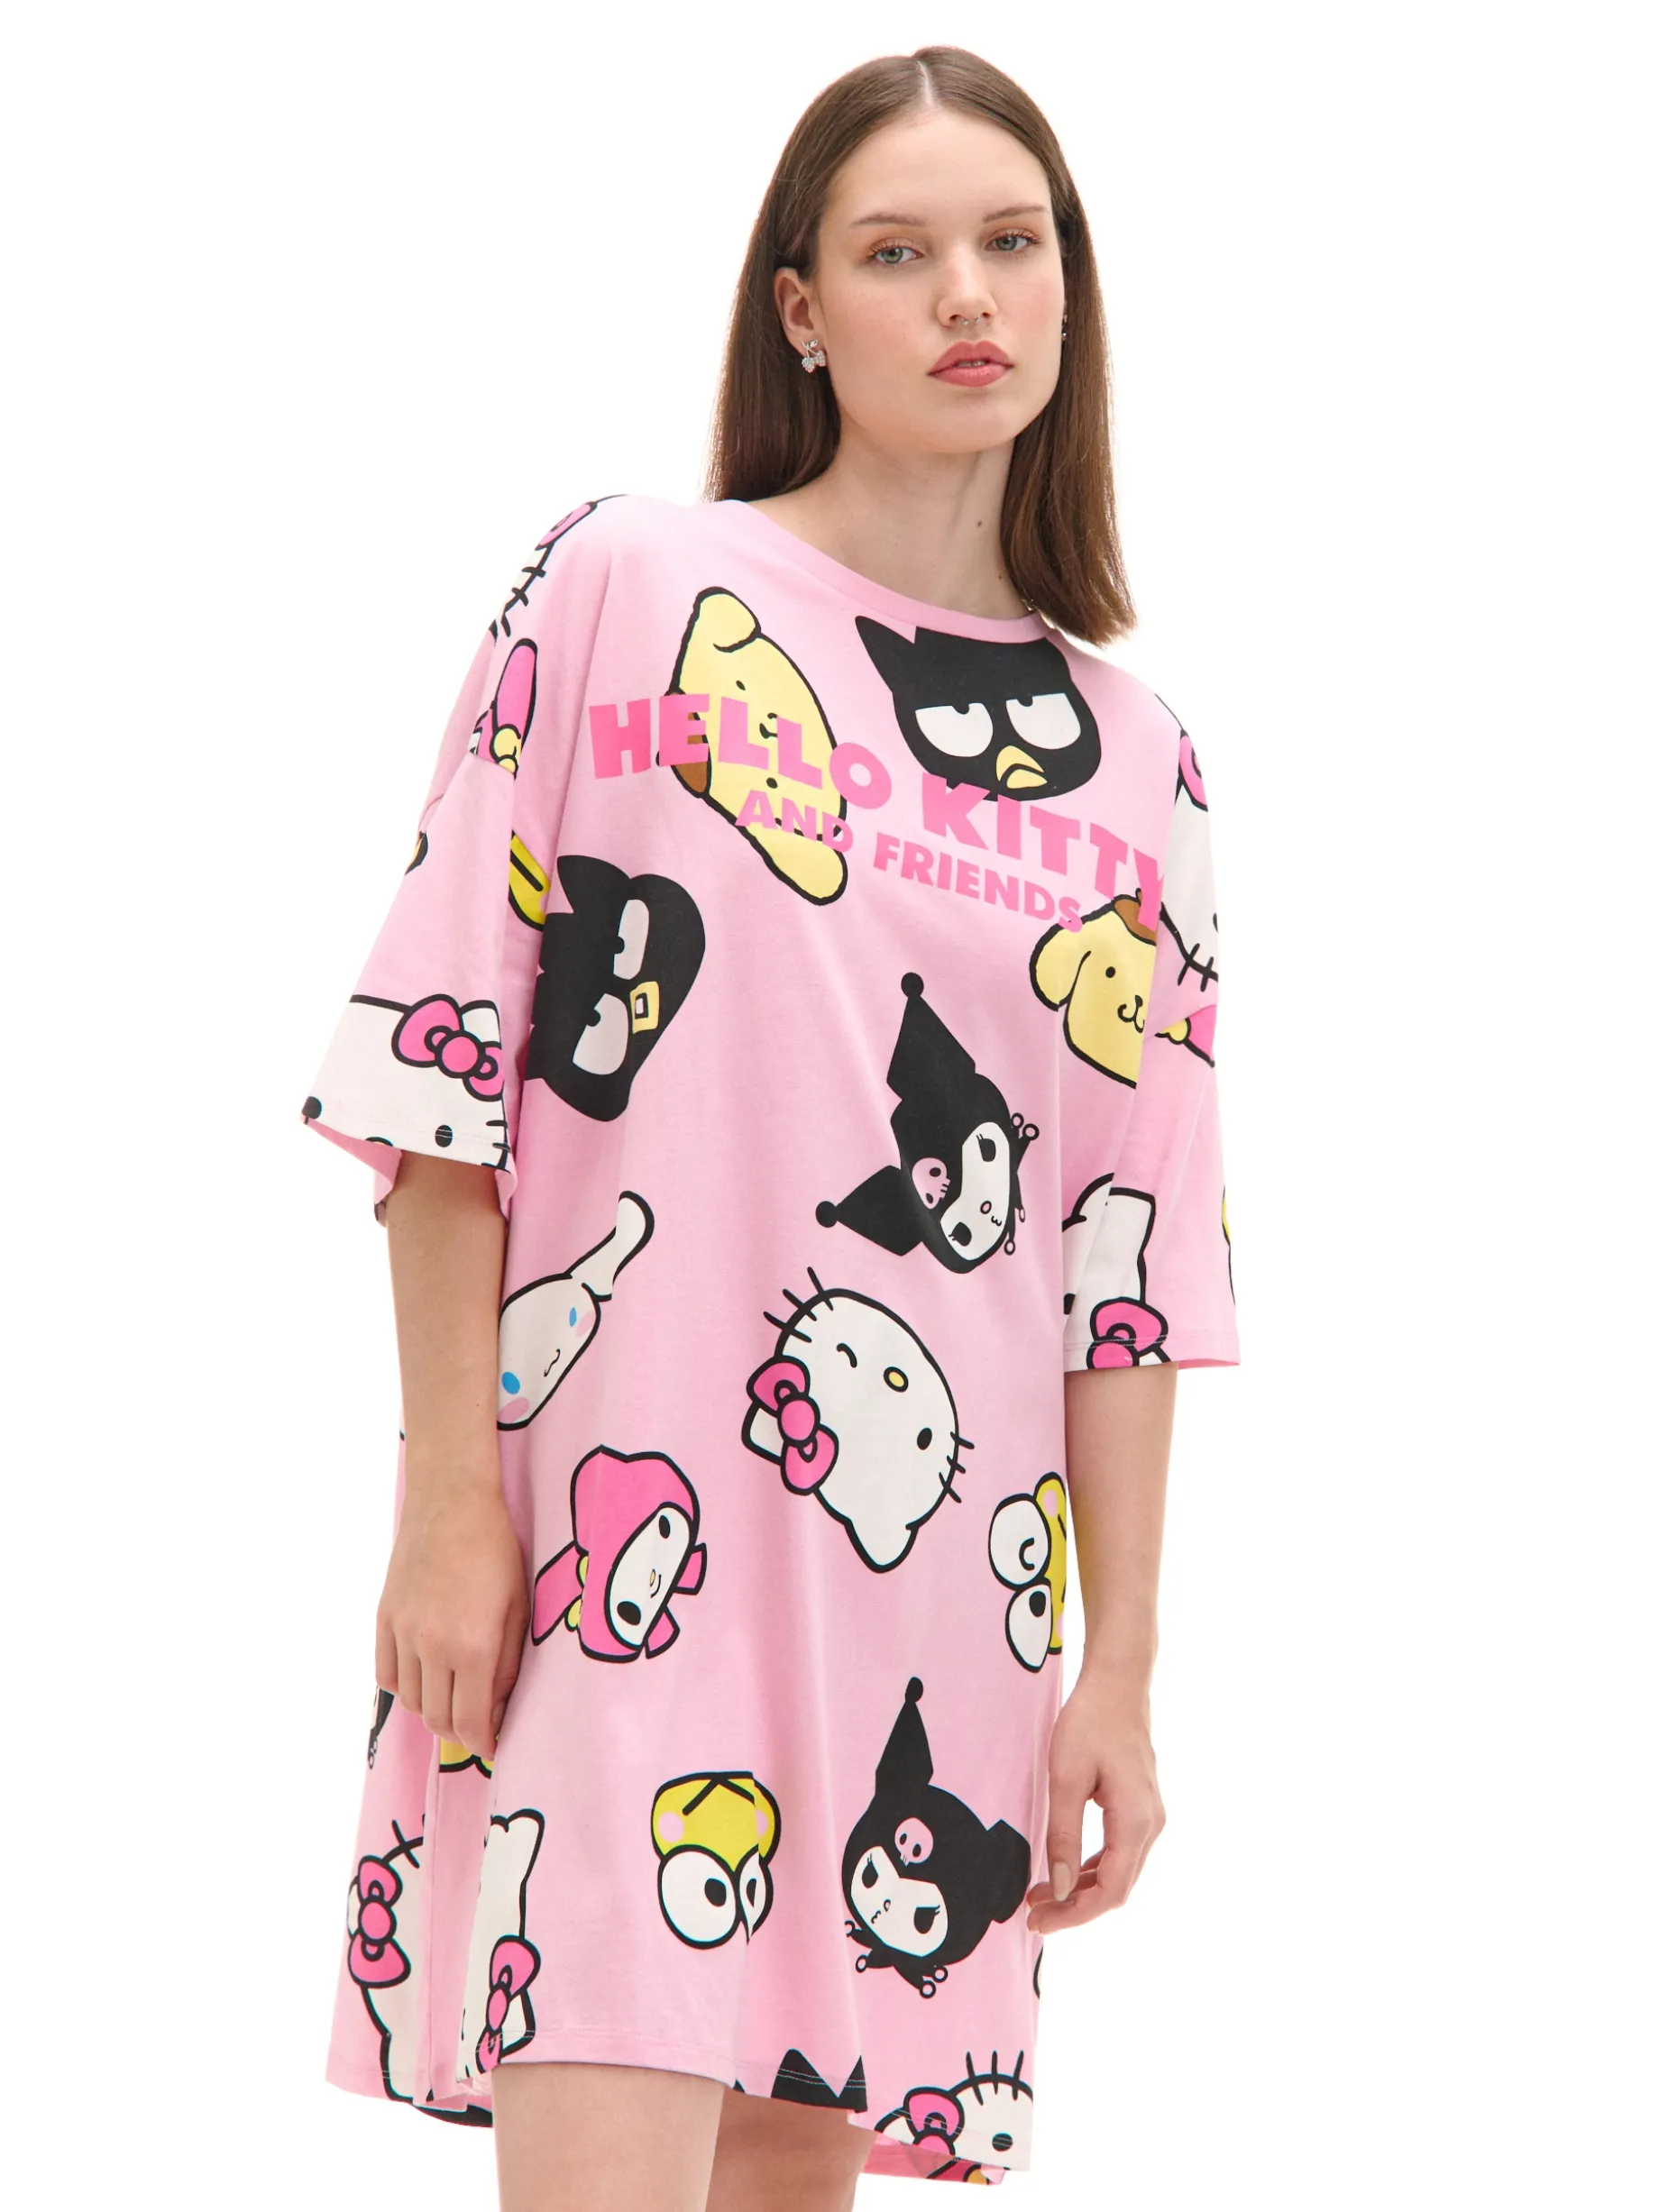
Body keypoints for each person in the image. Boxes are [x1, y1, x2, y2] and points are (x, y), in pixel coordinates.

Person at [300, 43, 1237, 2212]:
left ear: (1068, 286)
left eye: (1009, 243)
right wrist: (446, 1509)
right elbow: (445, 1069)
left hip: (931, 1604)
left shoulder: (1132, 760)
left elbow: (1122, 1260)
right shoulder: (626, 584)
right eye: (895, 254)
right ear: (799, 309)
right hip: (609, 1558)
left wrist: (1117, 1669)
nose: (965, 295)